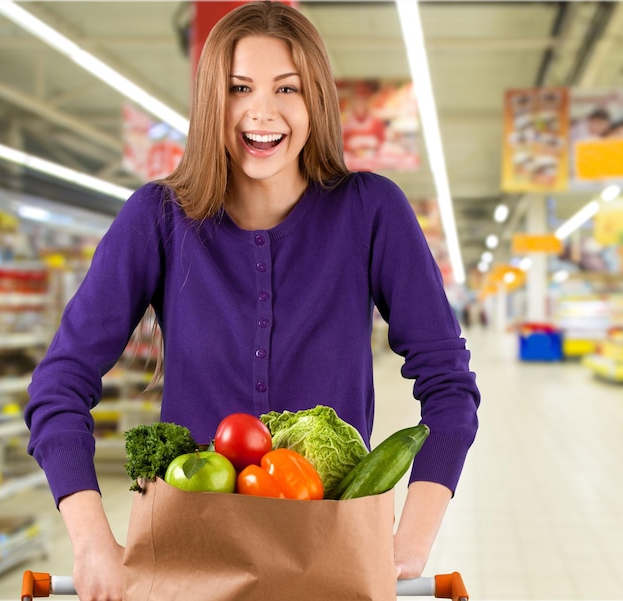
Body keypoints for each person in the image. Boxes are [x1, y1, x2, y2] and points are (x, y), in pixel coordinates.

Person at [24, 2, 480, 600]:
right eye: (239, 88)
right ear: (213, 100)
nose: (261, 111)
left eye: (286, 88)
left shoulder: (372, 211)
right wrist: (93, 544)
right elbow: (59, 385)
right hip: (187, 554)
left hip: (329, 549)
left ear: (316, 99)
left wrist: (408, 541)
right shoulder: (157, 219)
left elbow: (448, 385)